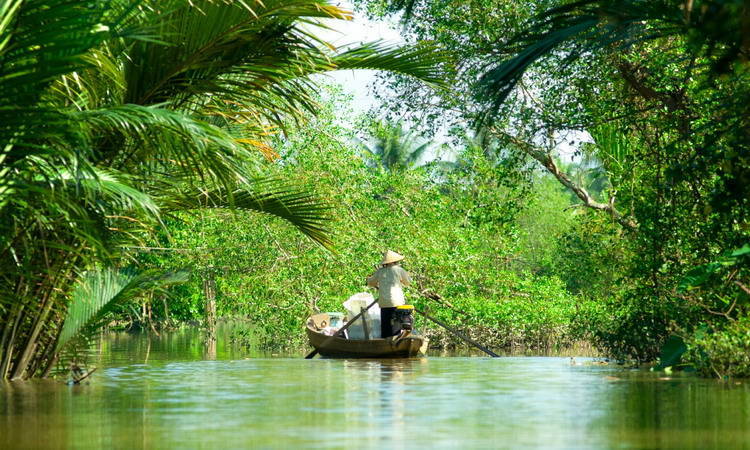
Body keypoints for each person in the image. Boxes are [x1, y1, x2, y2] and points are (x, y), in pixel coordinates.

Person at [366, 250, 412, 338]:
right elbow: (408, 282)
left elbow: (371, 282)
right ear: (396, 261)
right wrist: (401, 280)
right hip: (397, 302)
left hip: (384, 303)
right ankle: (395, 341)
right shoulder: (399, 270)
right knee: (396, 324)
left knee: (385, 325)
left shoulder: (380, 272)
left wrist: (371, 280)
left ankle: (385, 342)